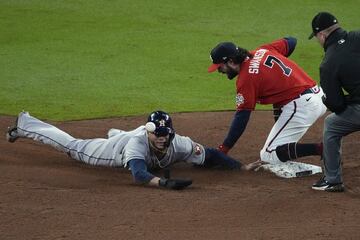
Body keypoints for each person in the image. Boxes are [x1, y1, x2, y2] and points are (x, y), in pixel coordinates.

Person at [6, 111, 263, 190]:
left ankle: (116, 131)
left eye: (165, 135)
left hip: (130, 138)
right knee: (72, 147)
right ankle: (25, 124)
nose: (162, 139)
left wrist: (239, 166)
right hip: (113, 151)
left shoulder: (179, 142)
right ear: (149, 132)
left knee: (137, 144)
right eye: (157, 135)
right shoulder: (138, 143)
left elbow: (212, 155)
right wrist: (164, 184)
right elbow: (139, 174)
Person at [207, 37, 327, 168]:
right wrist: (276, 69)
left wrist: (223, 149)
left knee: (269, 155)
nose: (219, 71)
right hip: (318, 95)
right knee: (278, 111)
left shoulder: (246, 79)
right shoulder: (263, 50)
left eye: (220, 67)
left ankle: (323, 149)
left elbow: (242, 117)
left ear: (231, 61)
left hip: (302, 106)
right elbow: (291, 41)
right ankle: (290, 148)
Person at [308, 12, 360, 192]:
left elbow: (337, 105)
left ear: (322, 35)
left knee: (332, 124)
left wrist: (345, 98)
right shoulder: (357, 35)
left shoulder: (329, 62)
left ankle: (332, 180)